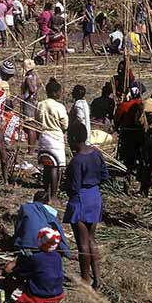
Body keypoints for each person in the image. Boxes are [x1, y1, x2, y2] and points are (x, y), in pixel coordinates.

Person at [64, 122, 109, 289]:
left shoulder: (77, 161)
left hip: (80, 199)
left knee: (82, 242)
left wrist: (67, 188)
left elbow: (74, 185)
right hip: (95, 196)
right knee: (91, 239)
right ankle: (97, 278)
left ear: (74, 139)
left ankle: (85, 279)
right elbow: (105, 175)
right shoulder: (96, 154)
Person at [36, 78, 69, 202]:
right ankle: (54, 195)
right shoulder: (59, 106)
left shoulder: (40, 104)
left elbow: (37, 119)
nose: (61, 94)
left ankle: (45, 192)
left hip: (44, 136)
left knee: (46, 166)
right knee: (55, 167)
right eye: (60, 91)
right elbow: (65, 124)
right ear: (55, 93)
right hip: (55, 137)